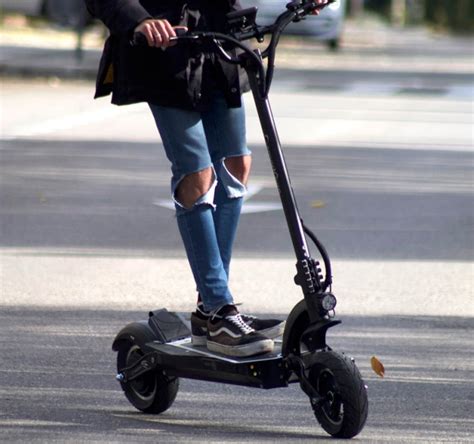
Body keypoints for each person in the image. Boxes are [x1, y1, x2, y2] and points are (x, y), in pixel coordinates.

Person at [85, 0, 327, 357]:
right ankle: (218, 307)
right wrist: (140, 21)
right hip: (165, 51)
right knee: (197, 176)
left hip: (220, 45)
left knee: (236, 165)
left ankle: (211, 312)